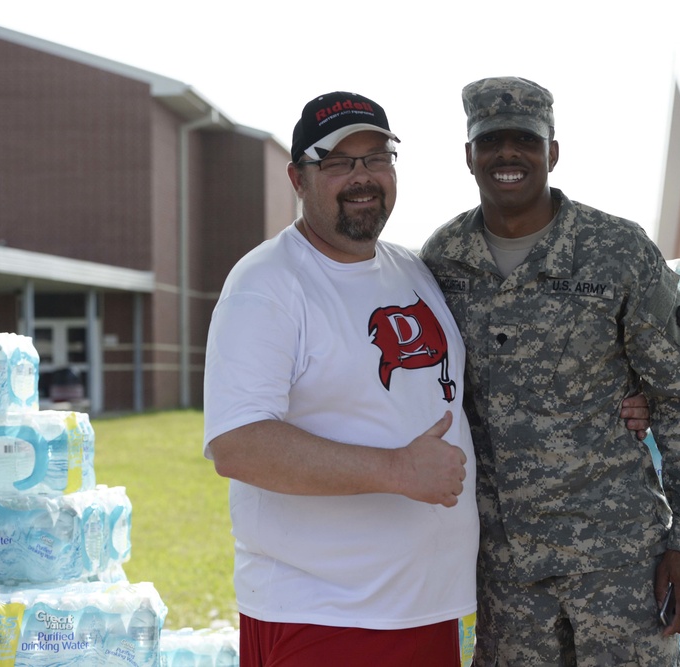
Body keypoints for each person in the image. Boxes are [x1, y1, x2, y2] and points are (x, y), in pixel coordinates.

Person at [421, 77, 680, 666]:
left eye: (524, 140)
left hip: (618, 562)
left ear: (552, 152)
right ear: (469, 156)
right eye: (491, 142)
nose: (507, 155)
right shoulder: (442, 260)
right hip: (506, 577)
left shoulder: (615, 250)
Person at [203, 91, 480, 667]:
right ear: (298, 177)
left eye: (376, 158)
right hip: (324, 616)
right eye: (336, 162)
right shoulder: (268, 283)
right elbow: (237, 445)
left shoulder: (411, 268)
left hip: (423, 609)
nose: (361, 177)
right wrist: (397, 470)